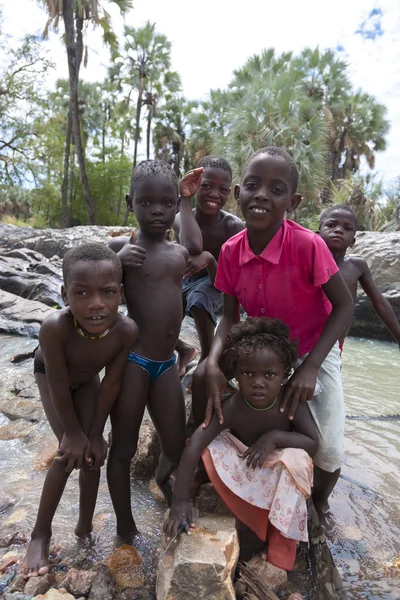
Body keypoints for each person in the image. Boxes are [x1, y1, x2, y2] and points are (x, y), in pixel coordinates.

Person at [191, 146, 354, 514]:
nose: (262, 195)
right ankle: (198, 454)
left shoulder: (309, 245)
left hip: (313, 347)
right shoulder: (232, 250)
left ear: (292, 202)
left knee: (327, 446)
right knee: (203, 374)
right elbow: (229, 317)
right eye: (253, 185)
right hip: (260, 346)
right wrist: (215, 361)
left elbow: (344, 306)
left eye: (276, 189)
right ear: (239, 194)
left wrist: (311, 366)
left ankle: (320, 506)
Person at [21, 243, 138, 579]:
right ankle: (40, 535)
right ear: (65, 294)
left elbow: (111, 384)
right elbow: (59, 388)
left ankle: (84, 529)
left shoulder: (126, 331)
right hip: (53, 378)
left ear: (121, 293)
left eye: (107, 292)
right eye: (82, 293)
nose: (96, 303)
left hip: (87, 382)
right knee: (68, 454)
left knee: (92, 455)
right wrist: (73, 434)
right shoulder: (54, 327)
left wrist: (97, 433)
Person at [164, 317, 319, 570]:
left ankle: (280, 540)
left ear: (285, 375)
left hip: (273, 464)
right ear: (235, 374)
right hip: (246, 462)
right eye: (248, 374)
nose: (258, 382)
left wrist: (273, 438)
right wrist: (179, 503)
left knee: (298, 461)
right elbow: (195, 445)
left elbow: (313, 443)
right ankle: (229, 500)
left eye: (270, 375)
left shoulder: (289, 403)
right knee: (205, 444)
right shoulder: (235, 405)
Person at [107, 159, 205, 543]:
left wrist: (186, 199)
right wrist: (116, 262)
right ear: (131, 202)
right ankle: (124, 523)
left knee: (175, 442)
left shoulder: (178, 254)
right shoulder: (124, 247)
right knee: (125, 446)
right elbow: (84, 278)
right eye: (146, 203)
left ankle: (167, 488)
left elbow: (197, 248)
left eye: (167, 203)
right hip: (132, 362)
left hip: (165, 365)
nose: (158, 211)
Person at [173, 156, 245, 376]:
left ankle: (206, 357)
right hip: (188, 278)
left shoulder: (233, 226)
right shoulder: (180, 217)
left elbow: (224, 283)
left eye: (223, 189)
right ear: (194, 186)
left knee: (199, 299)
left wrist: (211, 260)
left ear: (231, 192)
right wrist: (184, 198)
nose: (214, 194)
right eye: (206, 186)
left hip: (218, 282)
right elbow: (192, 246)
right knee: (154, 303)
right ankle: (184, 349)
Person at [318, 204, 400, 350]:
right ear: (316, 235)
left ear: (353, 241)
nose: (338, 230)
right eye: (331, 225)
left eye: (347, 228)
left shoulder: (356, 267)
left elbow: (380, 303)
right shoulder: (307, 262)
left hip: (335, 346)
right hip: (302, 338)